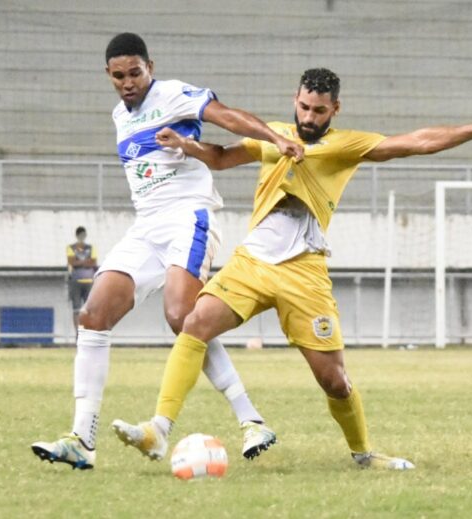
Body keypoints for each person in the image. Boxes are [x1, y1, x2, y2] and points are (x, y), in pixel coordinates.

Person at [112, 68, 472, 469]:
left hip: (304, 272)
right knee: (194, 324)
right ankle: (159, 428)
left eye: (319, 111)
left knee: (334, 382)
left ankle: (364, 453)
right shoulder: (273, 136)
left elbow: (418, 141)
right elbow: (221, 158)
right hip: (252, 262)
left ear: (335, 110)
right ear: (296, 100)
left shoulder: (346, 146)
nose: (309, 117)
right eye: (304, 107)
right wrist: (188, 147)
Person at [30, 33, 304, 470]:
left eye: (135, 73)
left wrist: (274, 137)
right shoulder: (119, 116)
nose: (127, 82)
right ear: (109, 76)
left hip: (188, 218)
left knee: (181, 317)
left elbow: (227, 116)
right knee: (92, 316)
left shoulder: (173, 94)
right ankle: (82, 438)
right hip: (146, 228)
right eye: (118, 76)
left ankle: (251, 419)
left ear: (150, 67)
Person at [67, 226, 98, 332]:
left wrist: (79, 263)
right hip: (76, 281)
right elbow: (72, 262)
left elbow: (93, 262)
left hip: (88, 280)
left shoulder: (91, 247)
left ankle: (87, 331)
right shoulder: (71, 247)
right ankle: (78, 333)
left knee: (88, 309)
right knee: (76, 309)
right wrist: (86, 262)